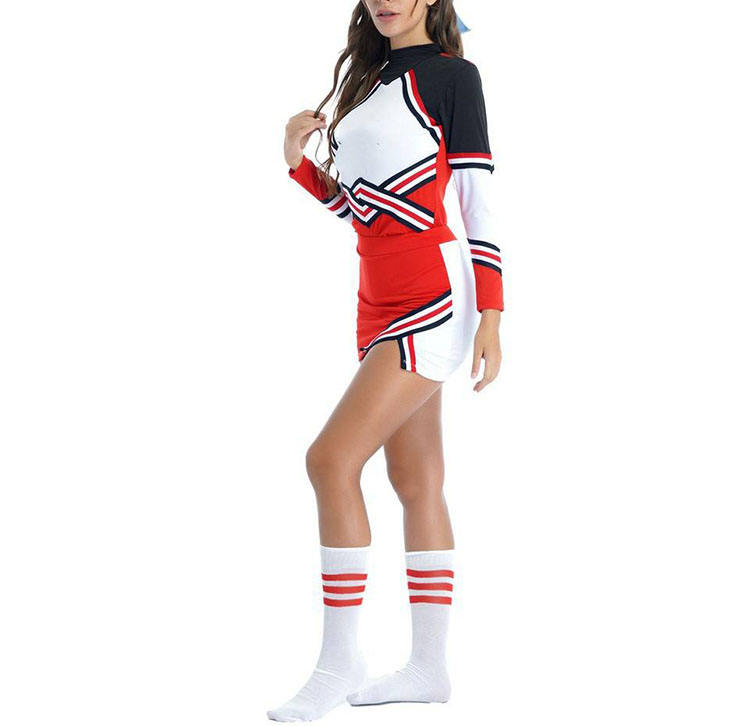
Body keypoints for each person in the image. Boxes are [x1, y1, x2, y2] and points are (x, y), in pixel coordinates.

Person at [269, 0, 504, 720]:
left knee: (330, 459)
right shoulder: (366, 81)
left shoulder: (454, 78)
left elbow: (477, 201)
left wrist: (493, 313)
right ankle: (429, 669)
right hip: (375, 296)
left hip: (433, 294)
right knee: (415, 477)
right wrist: (299, 164)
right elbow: (363, 211)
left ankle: (339, 662)